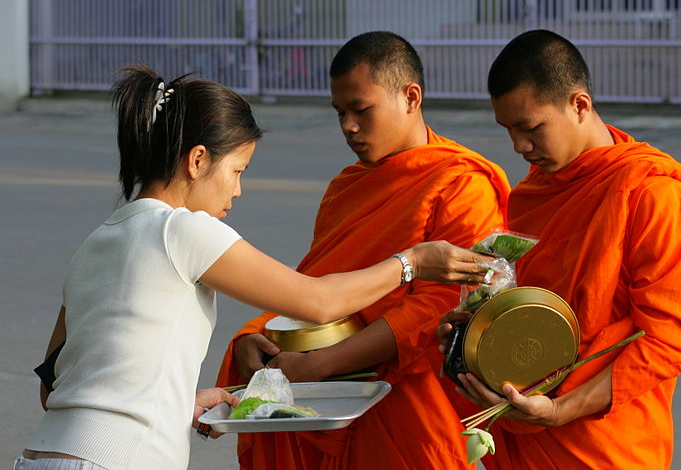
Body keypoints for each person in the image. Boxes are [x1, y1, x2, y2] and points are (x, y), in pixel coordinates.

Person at [16, 64, 493, 470]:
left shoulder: (99, 239)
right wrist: (413, 262)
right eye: (237, 171)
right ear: (198, 161)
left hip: (44, 453)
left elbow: (55, 386)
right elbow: (317, 300)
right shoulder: (181, 230)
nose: (237, 192)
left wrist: (179, 403)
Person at [215, 31, 511, 470]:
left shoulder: (460, 182)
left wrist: (324, 364)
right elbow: (316, 282)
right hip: (326, 395)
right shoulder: (346, 186)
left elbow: (439, 309)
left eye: (361, 110)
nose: (348, 127)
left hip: (406, 402)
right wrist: (255, 336)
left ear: (411, 97)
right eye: (340, 112)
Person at [439, 30, 681, 469]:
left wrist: (563, 410)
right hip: (525, 429)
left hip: (606, 442)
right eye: (508, 131)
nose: (520, 148)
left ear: (579, 105)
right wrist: (475, 333)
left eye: (531, 128)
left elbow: (672, 338)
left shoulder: (651, 193)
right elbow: (529, 314)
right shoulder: (531, 194)